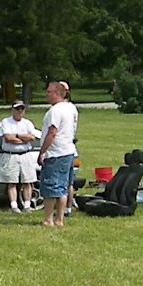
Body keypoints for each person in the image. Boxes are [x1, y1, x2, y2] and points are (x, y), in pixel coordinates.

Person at [37, 80, 79, 227]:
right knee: (62, 186)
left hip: (55, 153)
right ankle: (59, 219)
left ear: (57, 94)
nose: (46, 94)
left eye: (49, 91)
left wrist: (42, 152)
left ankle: (48, 219)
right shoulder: (71, 108)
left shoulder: (55, 111)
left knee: (50, 187)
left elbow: (52, 132)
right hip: (68, 152)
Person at [0, 101, 41, 212]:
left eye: (22, 109)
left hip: (25, 155)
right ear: (12, 110)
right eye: (17, 109)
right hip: (10, 155)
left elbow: (32, 137)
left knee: (28, 181)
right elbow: (8, 138)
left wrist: (16, 136)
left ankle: (27, 205)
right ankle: (14, 206)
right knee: (11, 181)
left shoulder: (28, 123)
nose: (20, 111)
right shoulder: (6, 122)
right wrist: (22, 139)